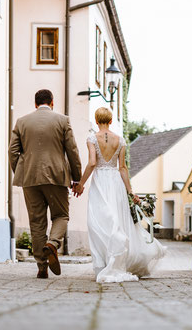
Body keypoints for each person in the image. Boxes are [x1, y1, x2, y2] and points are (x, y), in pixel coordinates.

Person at [73, 107, 166, 283]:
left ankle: (104, 263)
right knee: (116, 218)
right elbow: (122, 167)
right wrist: (131, 192)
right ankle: (115, 257)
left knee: (98, 221)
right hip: (115, 181)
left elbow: (92, 163)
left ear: (96, 120)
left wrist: (81, 184)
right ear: (110, 121)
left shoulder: (92, 138)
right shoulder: (120, 140)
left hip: (100, 181)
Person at [8, 89, 82, 279]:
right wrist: (77, 178)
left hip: (30, 178)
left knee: (36, 222)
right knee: (61, 215)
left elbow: (13, 151)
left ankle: (41, 266)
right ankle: (53, 243)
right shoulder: (62, 121)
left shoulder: (22, 122)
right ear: (52, 102)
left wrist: (22, 172)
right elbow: (72, 150)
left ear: (35, 104)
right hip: (57, 177)